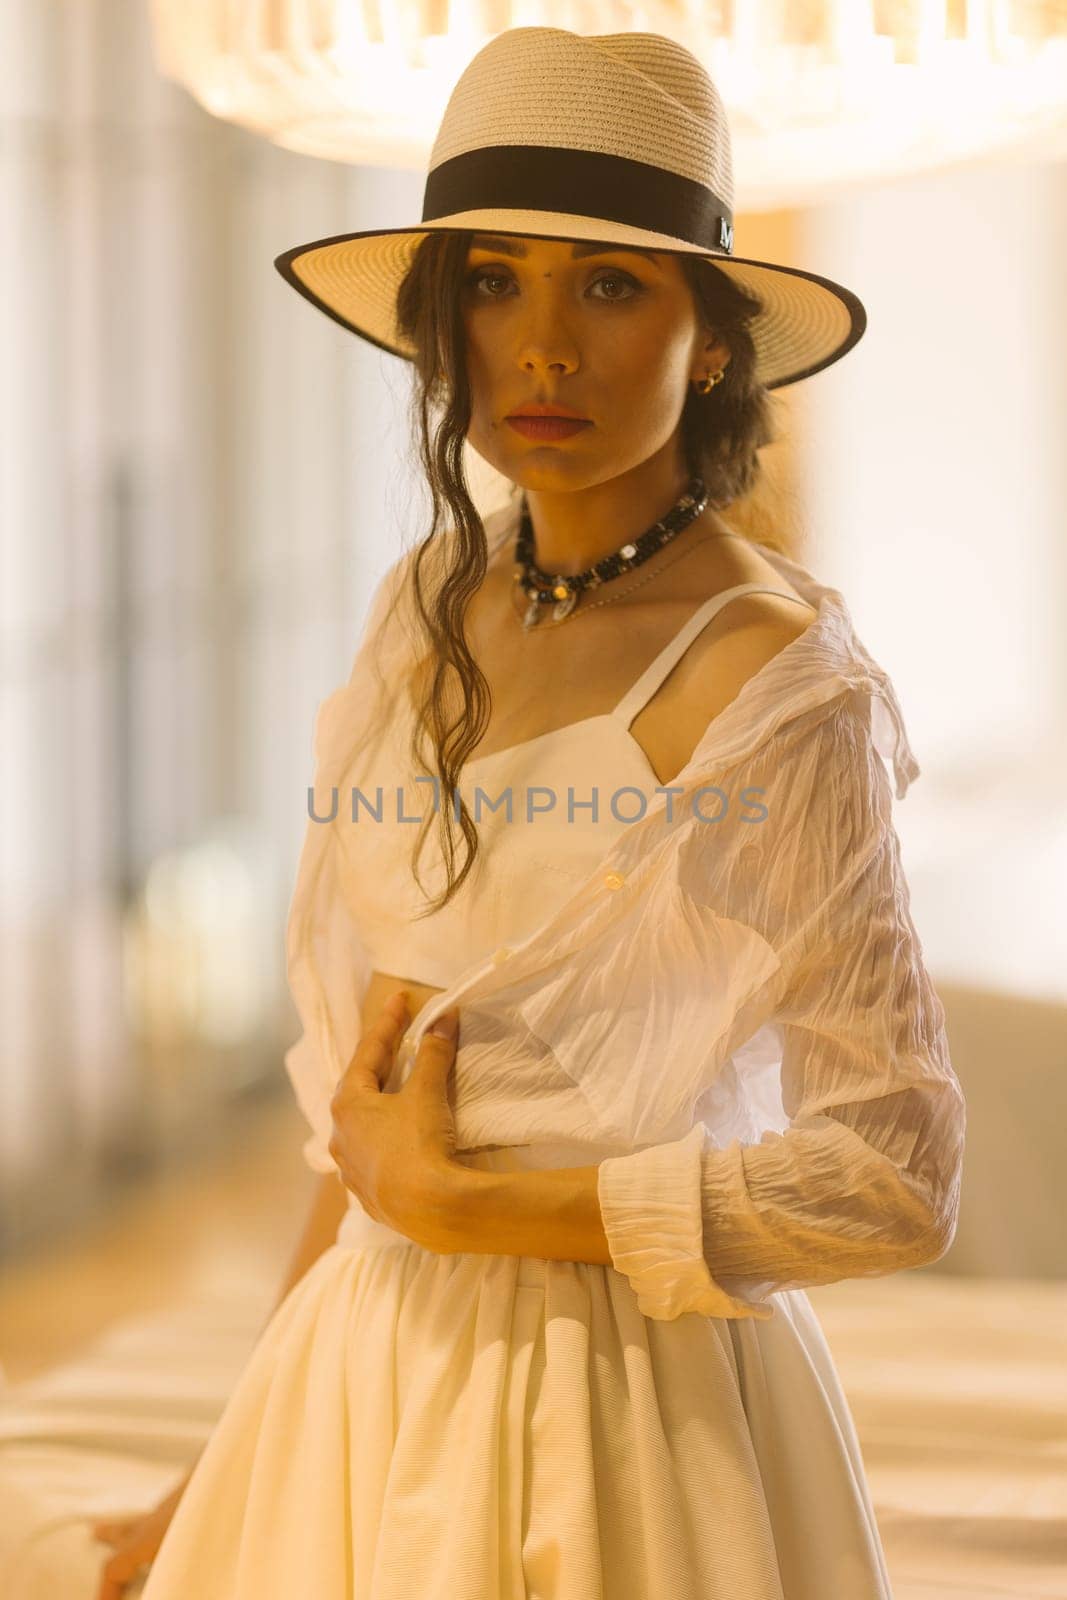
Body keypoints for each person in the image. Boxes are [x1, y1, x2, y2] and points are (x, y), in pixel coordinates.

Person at [99, 25, 965, 1600]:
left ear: (714, 340)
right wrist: (221, 1473)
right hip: (367, 1366)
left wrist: (477, 1203)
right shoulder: (426, 601)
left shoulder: (781, 686)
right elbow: (370, 1102)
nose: (542, 349)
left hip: (630, 1408)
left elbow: (891, 1169)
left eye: (612, 284)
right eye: (494, 283)